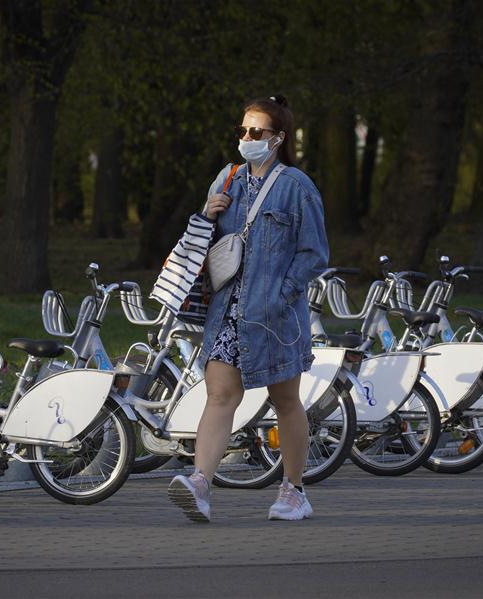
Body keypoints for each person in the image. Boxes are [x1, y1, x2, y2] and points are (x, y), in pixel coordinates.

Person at [168, 95, 329, 522]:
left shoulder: (297, 186)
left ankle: (294, 491)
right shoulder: (227, 178)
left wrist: (282, 293)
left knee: (286, 401)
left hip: (275, 318)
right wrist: (207, 211)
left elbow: (315, 253)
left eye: (255, 132)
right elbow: (204, 240)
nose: (246, 138)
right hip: (227, 311)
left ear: (278, 139)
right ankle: (200, 484)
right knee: (220, 394)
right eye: (242, 130)